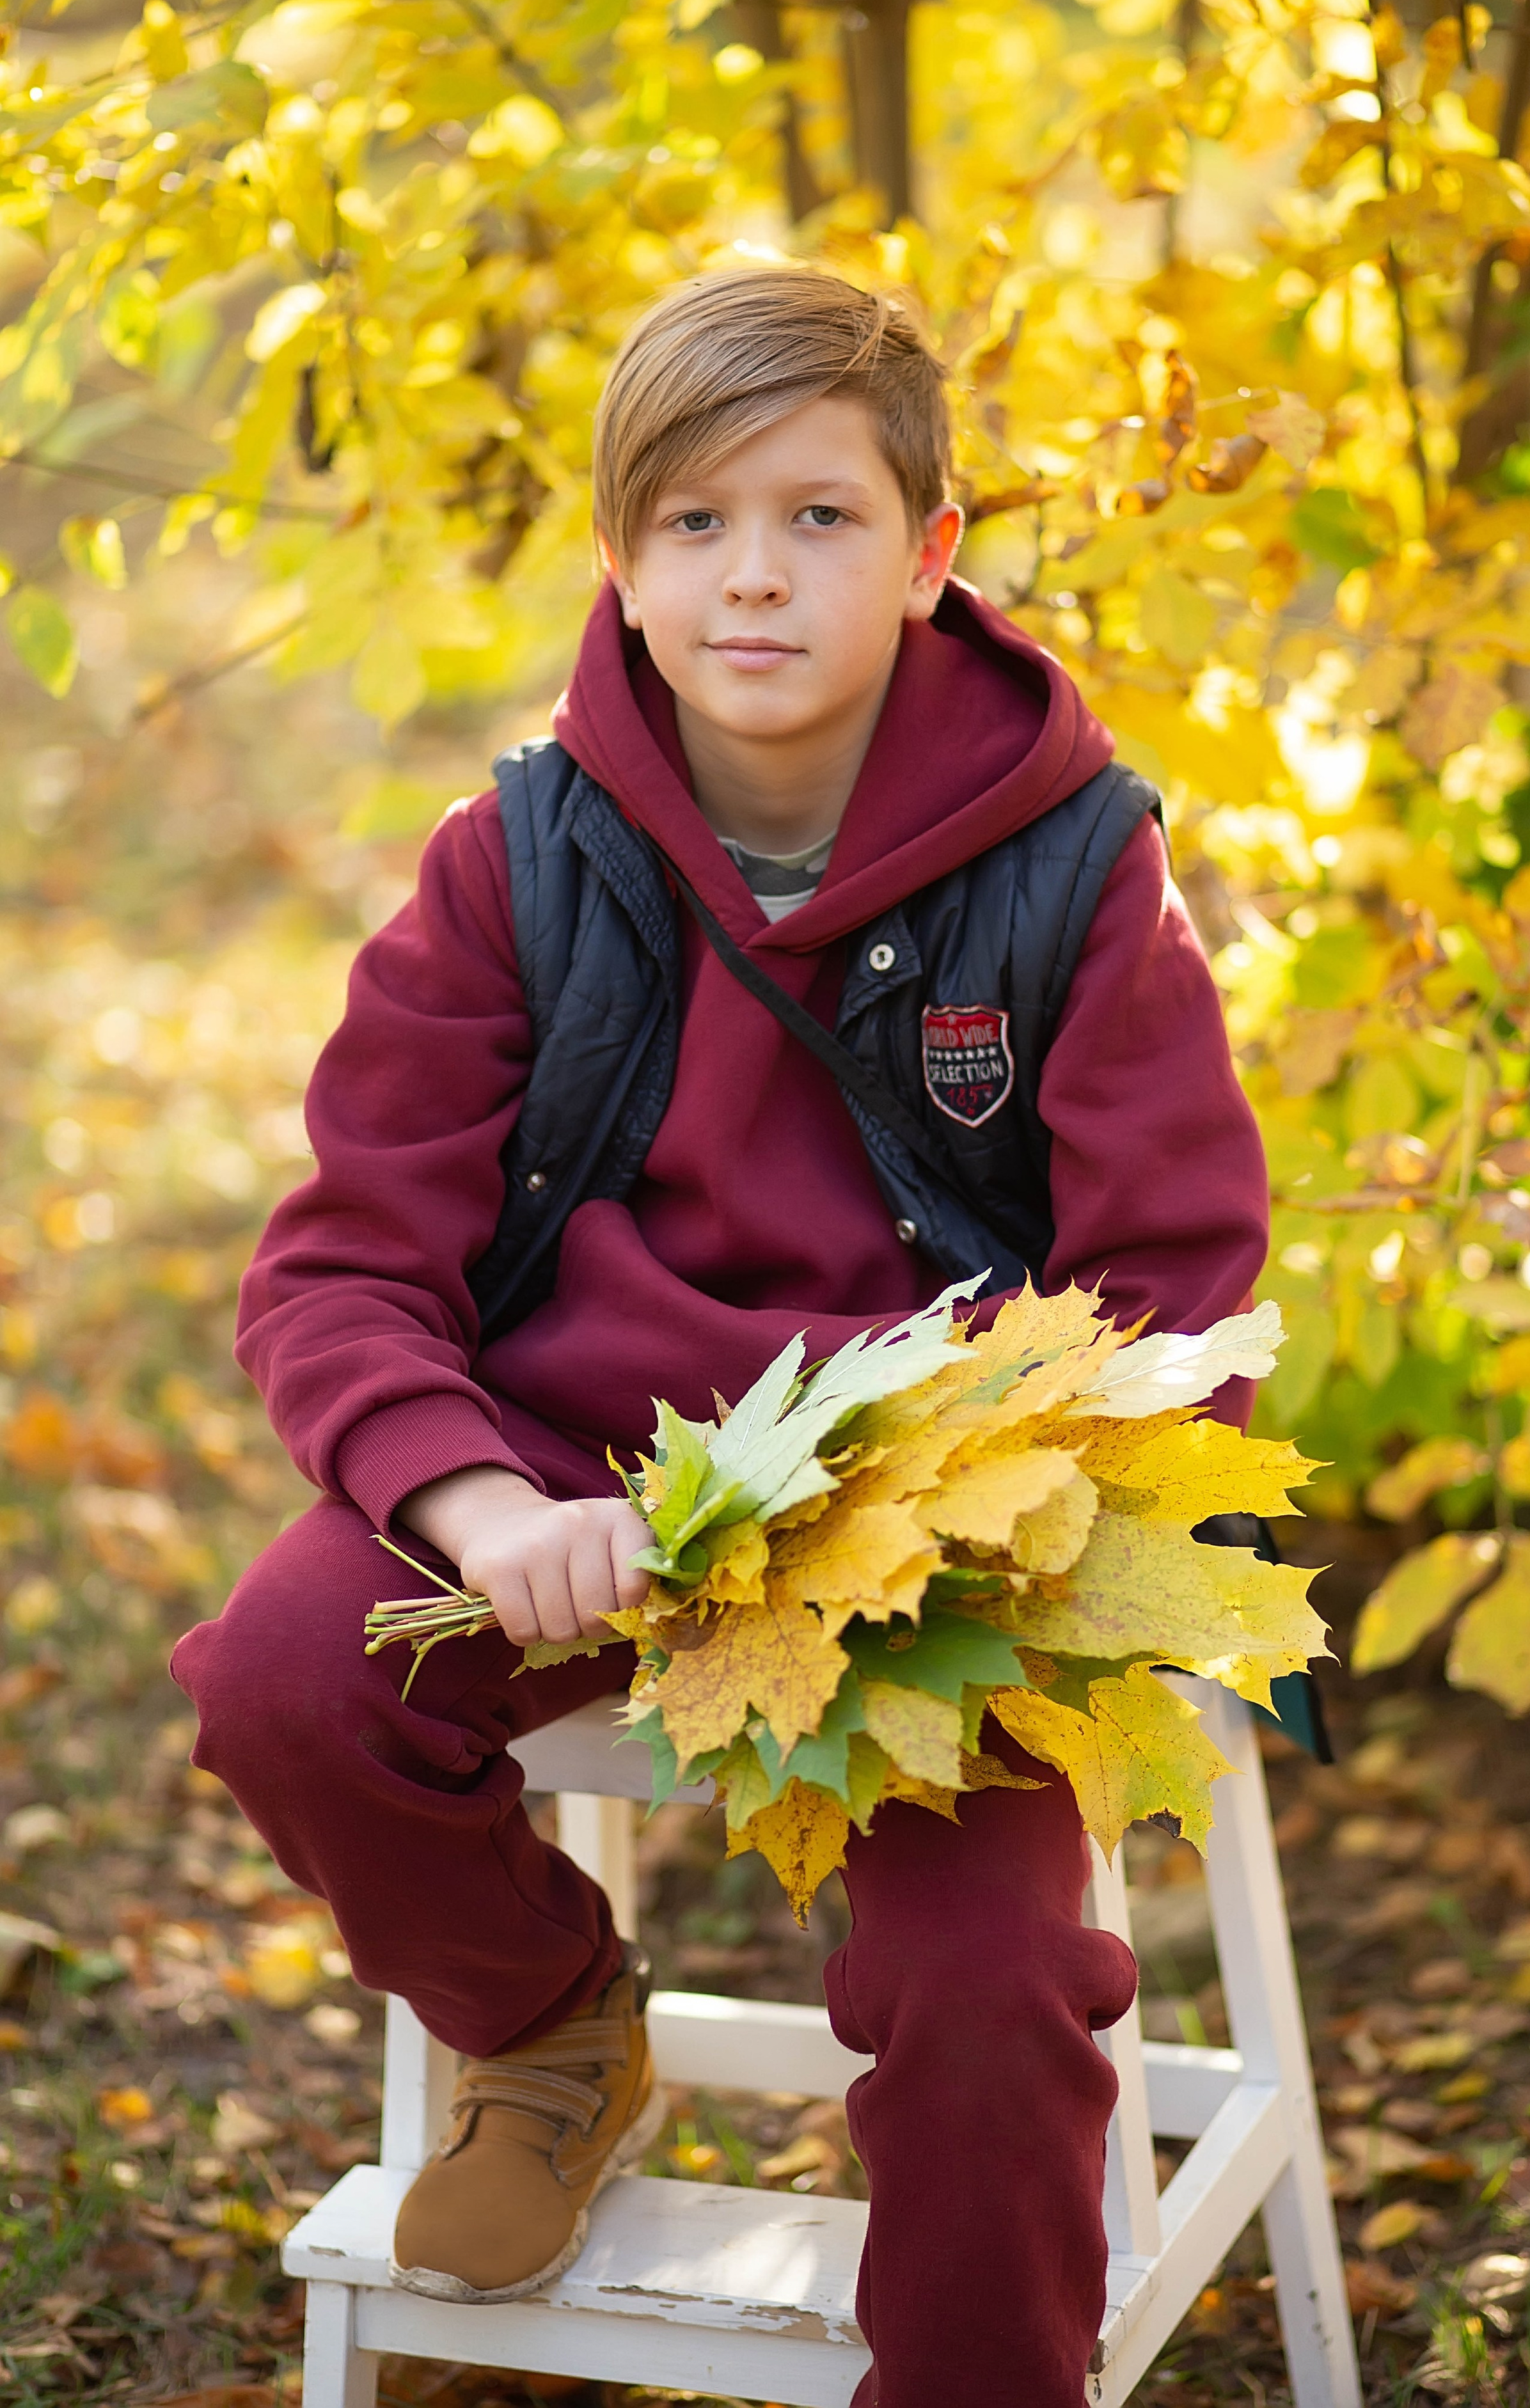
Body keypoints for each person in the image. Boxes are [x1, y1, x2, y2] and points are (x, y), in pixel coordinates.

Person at [173, 267, 1269, 2408]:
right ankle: (554, 2031)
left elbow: (1182, 1290)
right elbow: (341, 1264)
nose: (752, 574)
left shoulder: (1077, 871)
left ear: (933, 552)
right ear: (619, 556)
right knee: (286, 1683)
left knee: (992, 1983)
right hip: (575, 1470)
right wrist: (477, 1496)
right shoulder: (518, 860)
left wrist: (973, 1522)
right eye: (692, 521)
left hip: (943, 1525)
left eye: (821, 517)